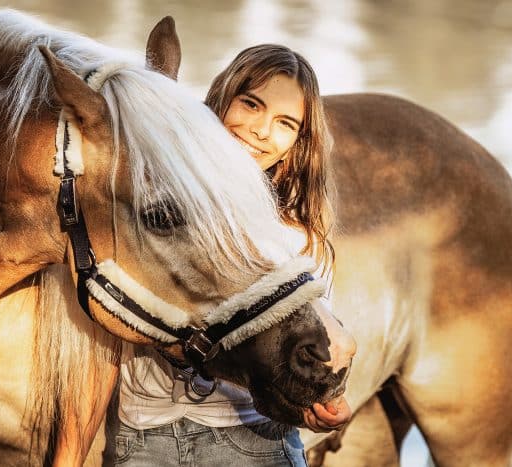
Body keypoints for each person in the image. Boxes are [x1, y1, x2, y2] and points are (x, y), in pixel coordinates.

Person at [113, 45, 351, 467]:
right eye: (251, 104)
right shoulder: (156, 203)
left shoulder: (295, 235)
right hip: (145, 434)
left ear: (298, 142)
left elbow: (308, 342)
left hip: (251, 438)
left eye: (284, 123)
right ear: (223, 97)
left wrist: (321, 403)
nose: (261, 130)